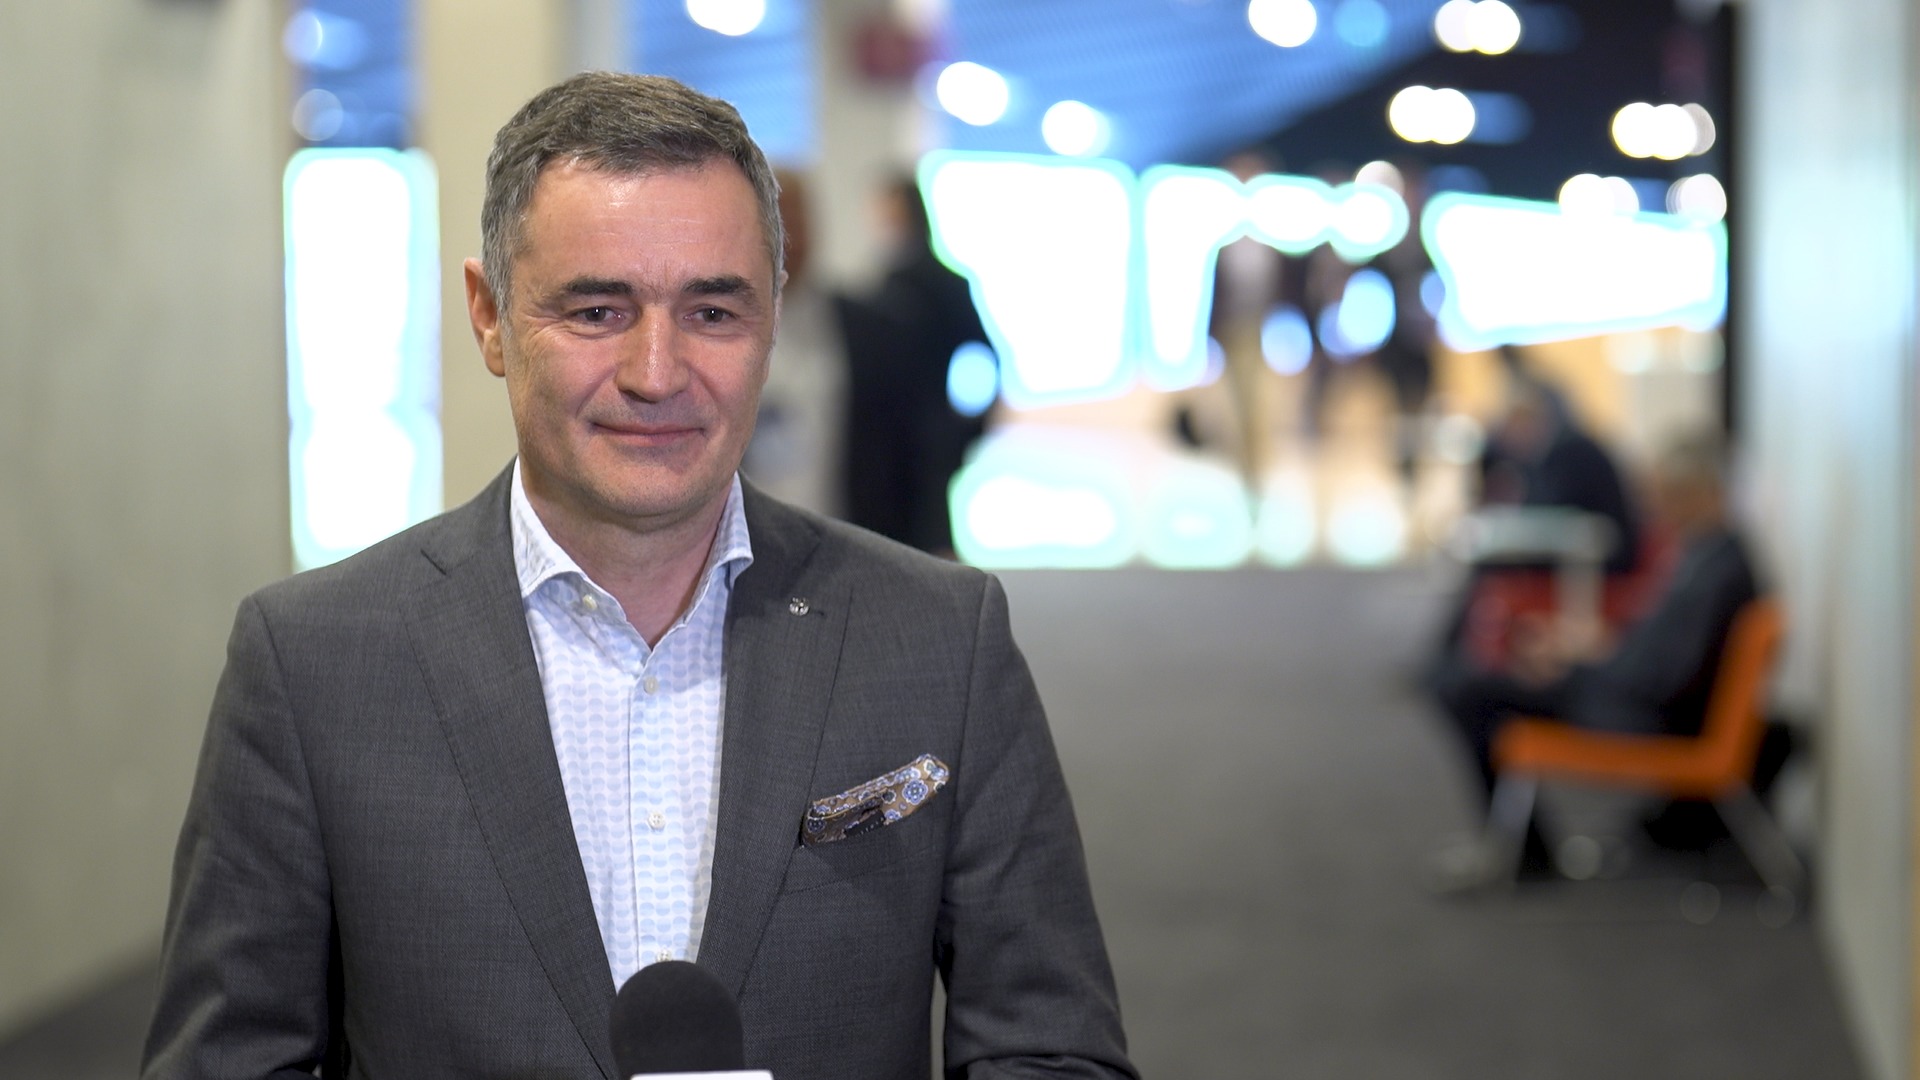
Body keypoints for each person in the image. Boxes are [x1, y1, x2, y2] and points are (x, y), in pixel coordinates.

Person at [143, 73, 1134, 1080]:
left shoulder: (941, 639)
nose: (657, 373)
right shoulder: (314, 665)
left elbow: (1052, 1050)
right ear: (489, 318)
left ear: (773, 318)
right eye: (596, 310)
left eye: (712, 311)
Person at [1430, 431, 1758, 813]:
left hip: (1636, 715)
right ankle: (1525, 841)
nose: (1658, 507)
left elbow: (1667, 680)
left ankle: (1526, 844)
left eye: (1670, 494)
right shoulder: (1707, 557)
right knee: (1474, 683)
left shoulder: (1715, 573)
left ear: (1703, 492)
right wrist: (1589, 647)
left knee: (1468, 690)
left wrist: (1579, 666)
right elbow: (1661, 657)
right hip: (1626, 696)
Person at [836, 173, 988, 555]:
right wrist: (967, 426)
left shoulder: (915, 285)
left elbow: (983, 354)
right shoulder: (898, 282)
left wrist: (969, 426)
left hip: (914, 437)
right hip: (915, 436)